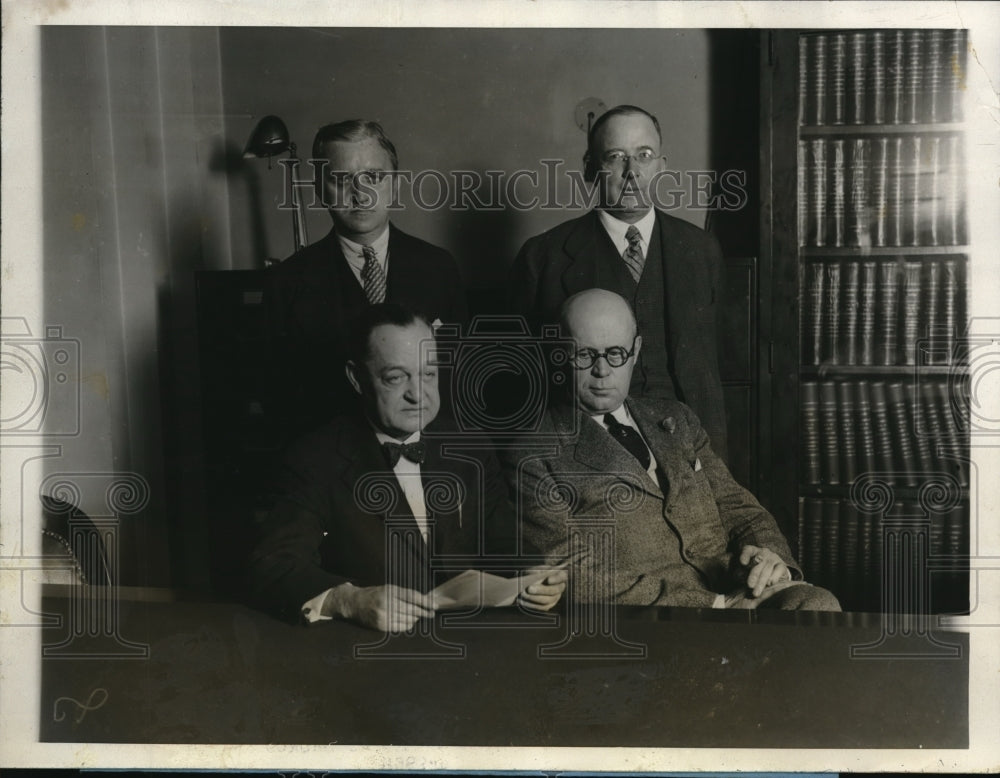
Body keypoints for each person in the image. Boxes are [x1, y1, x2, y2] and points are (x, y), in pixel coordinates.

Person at [500, 289, 839, 611]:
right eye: (584, 354)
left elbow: (737, 507)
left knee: (816, 606)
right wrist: (715, 606)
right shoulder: (534, 451)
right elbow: (572, 575)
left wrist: (770, 558)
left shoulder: (675, 417)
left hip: (735, 584)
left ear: (635, 351)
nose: (601, 371)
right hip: (658, 615)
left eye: (615, 353)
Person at [250, 303, 566, 631]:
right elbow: (274, 567)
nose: (418, 394)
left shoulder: (469, 445)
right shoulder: (315, 459)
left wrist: (532, 574)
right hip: (366, 657)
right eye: (396, 377)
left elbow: (504, 541)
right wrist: (349, 601)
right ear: (356, 378)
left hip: (472, 647)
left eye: (428, 374)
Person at [508, 105, 728, 461]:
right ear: (590, 168)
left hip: (693, 454)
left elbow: (714, 373)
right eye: (616, 157)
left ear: (662, 166)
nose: (632, 172)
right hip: (588, 459)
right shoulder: (543, 257)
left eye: (644, 156)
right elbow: (520, 385)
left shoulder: (700, 250)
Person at [267, 119, 469, 437]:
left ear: (395, 184)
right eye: (341, 180)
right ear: (319, 188)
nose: (360, 195)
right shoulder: (287, 282)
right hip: (329, 465)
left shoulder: (438, 268)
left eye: (374, 177)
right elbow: (281, 403)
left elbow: (459, 384)